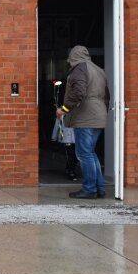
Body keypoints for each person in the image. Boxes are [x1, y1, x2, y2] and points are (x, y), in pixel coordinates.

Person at [56, 45, 110, 199]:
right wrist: (101, 113)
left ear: (73, 56)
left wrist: (64, 109)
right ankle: (99, 188)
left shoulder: (79, 68)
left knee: (84, 154)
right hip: (98, 116)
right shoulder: (99, 70)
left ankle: (89, 189)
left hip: (85, 117)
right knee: (90, 153)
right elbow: (107, 96)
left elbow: (78, 92)